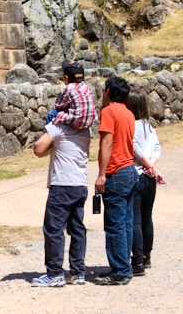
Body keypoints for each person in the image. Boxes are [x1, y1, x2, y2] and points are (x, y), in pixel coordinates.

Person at [30, 74, 92, 287]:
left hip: (62, 184)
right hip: (80, 183)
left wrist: (52, 145)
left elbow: (38, 149)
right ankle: (78, 272)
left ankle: (55, 273)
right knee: (77, 228)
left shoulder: (58, 125)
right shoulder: (86, 128)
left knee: (54, 228)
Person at [94, 76, 137, 286]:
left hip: (116, 172)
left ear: (109, 91)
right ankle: (124, 266)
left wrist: (102, 174)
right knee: (126, 223)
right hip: (130, 170)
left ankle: (120, 270)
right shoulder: (128, 113)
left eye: (104, 90)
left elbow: (107, 143)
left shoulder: (108, 112)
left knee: (114, 225)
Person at [126, 89, 166, 276]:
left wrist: (148, 165)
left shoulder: (131, 125)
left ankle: (138, 260)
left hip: (137, 174)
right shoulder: (149, 125)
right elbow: (157, 148)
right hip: (150, 178)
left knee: (135, 219)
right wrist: (153, 167)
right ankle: (147, 256)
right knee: (146, 217)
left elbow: (134, 148)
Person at [45, 61, 97, 130]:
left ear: (66, 77)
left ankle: (47, 135)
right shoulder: (85, 86)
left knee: (50, 114)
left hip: (77, 123)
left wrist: (55, 107)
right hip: (90, 121)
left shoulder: (69, 88)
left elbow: (60, 106)